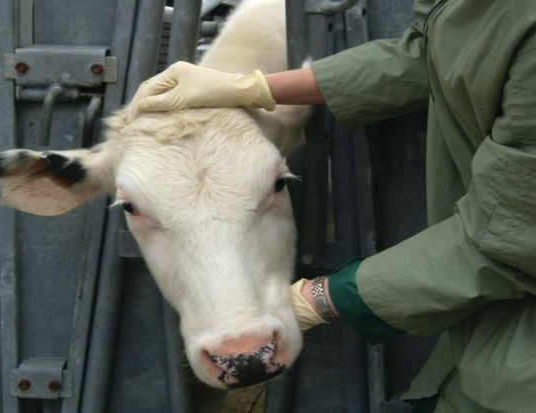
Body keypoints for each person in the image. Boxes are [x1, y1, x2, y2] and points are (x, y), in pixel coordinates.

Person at [134, 1, 536, 412]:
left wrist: (323, 296)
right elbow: (425, 55)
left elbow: (512, 233)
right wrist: (257, 89)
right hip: (480, 344)